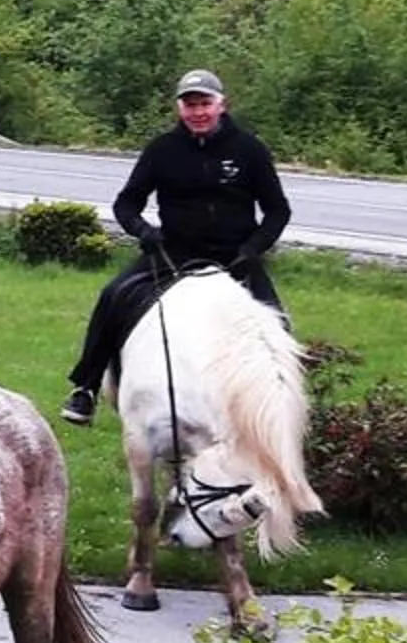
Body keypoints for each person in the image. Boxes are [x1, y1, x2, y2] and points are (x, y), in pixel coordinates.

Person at [59, 68, 293, 427]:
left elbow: (278, 211)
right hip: (173, 255)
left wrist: (253, 248)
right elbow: (126, 204)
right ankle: (86, 388)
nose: (198, 112)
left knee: (278, 326)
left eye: (205, 104)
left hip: (235, 259)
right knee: (112, 296)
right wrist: (143, 231)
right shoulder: (162, 150)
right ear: (179, 108)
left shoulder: (249, 150)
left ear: (222, 104)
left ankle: (285, 407)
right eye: (190, 105)